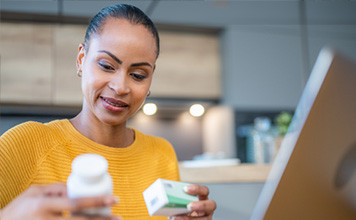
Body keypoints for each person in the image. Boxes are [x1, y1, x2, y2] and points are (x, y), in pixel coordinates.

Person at [0, 4, 216, 220]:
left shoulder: (162, 154)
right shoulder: (25, 144)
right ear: (81, 60)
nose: (121, 87)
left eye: (138, 75)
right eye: (106, 65)